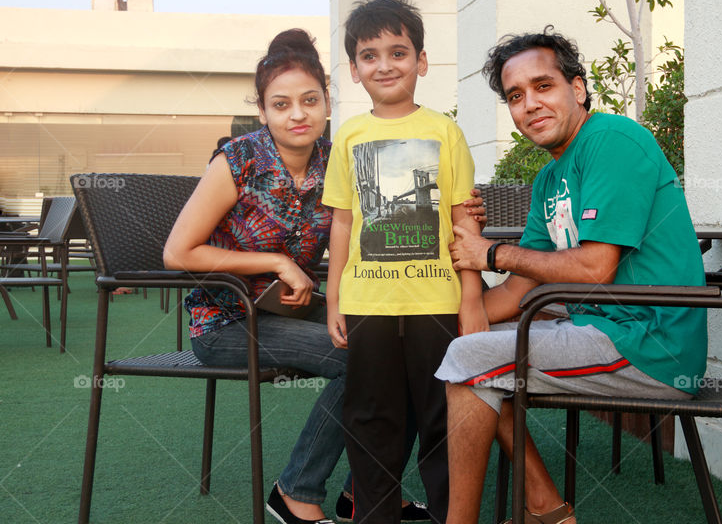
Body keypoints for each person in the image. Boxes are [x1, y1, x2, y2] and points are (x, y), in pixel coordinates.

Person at [164, 29, 486, 524]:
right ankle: (296, 489)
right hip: (229, 320)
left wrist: (460, 206)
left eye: (310, 100)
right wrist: (275, 262)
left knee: (389, 348)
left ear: (327, 102)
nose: (298, 114)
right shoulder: (238, 160)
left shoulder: (340, 154)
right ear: (263, 110)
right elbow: (178, 252)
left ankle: (366, 493)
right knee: (359, 357)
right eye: (281, 104)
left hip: (297, 308)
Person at [438, 29, 707, 524]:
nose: (530, 105)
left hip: (648, 343)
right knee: (469, 344)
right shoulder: (548, 179)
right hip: (599, 329)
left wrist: (491, 254)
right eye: (516, 97)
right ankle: (546, 508)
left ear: (577, 89)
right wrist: (445, 315)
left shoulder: (613, 140)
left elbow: (593, 267)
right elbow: (521, 292)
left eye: (543, 86)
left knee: (470, 358)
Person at [323, 0, 488, 524]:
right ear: (353, 69)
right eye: (369, 55)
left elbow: (465, 221)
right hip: (368, 301)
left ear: (421, 61)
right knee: (371, 419)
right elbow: (344, 222)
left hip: (435, 301)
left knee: (444, 419)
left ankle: (449, 515)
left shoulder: (445, 131)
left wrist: (471, 296)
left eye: (398, 52)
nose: (385, 65)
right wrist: (334, 296)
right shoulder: (348, 136)